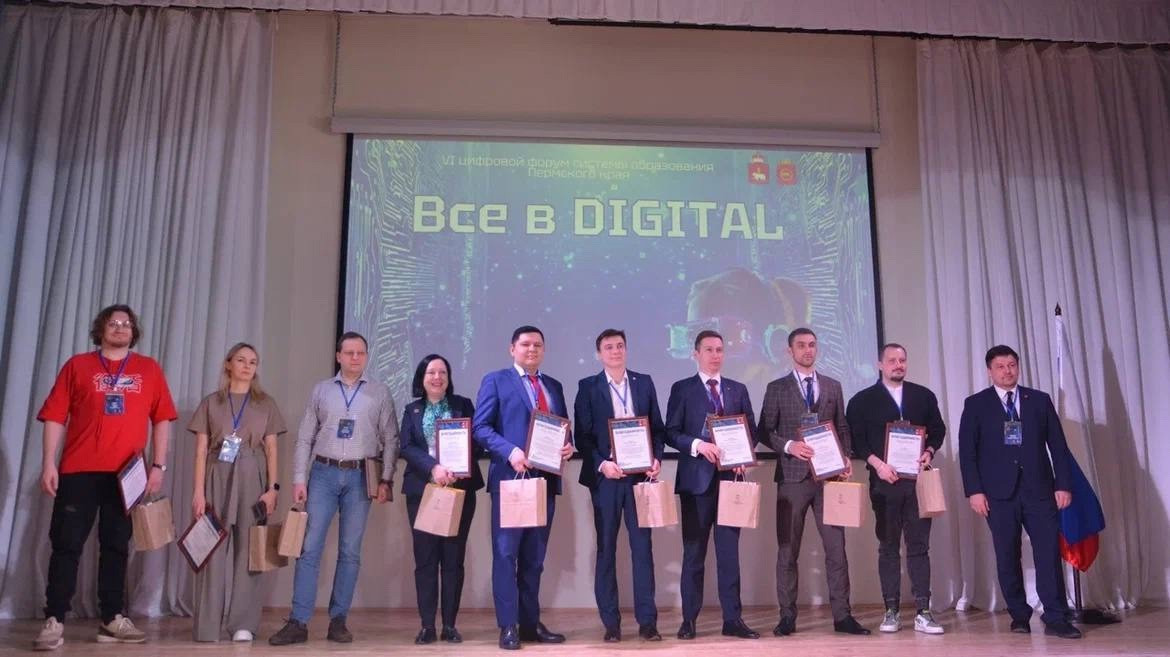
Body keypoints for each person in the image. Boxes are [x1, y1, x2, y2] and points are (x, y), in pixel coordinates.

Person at [34, 304, 177, 651]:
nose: (120, 327)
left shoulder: (148, 369)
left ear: (134, 331)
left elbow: (162, 419)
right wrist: (49, 463)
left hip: (127, 474)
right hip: (78, 470)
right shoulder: (77, 366)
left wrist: (158, 466)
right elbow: (55, 416)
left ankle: (112, 617)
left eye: (126, 323)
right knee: (66, 545)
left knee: (116, 547)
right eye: (113, 323)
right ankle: (54, 619)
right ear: (101, 329)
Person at [269, 332, 400, 645]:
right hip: (323, 475)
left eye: (361, 353)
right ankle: (298, 621)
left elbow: (391, 438)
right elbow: (305, 437)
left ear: (366, 356)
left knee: (350, 551)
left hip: (360, 477)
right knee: (309, 548)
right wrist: (299, 478)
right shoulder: (322, 390)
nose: (355, 358)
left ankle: (338, 620)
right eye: (349, 352)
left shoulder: (380, 392)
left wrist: (386, 479)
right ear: (338, 356)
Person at [958, 345, 1081, 639]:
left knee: (1048, 553)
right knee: (1007, 555)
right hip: (998, 494)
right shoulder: (976, 404)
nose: (1007, 371)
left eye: (1012, 365)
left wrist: (1063, 485)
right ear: (990, 371)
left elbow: (1058, 446)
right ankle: (1019, 615)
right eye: (1000, 366)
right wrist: (974, 491)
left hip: (1040, 491)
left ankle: (1056, 617)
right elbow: (968, 453)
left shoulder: (1038, 400)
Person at [757, 327, 869, 636]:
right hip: (792, 478)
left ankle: (843, 617)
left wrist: (846, 455)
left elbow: (842, 426)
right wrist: (789, 446)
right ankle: (787, 617)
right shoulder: (777, 388)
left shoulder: (832, 385)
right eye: (801, 345)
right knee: (787, 550)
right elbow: (764, 431)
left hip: (829, 478)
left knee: (836, 550)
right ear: (789, 351)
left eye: (812, 345)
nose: (808, 350)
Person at [473, 325, 574, 650]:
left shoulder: (553, 386)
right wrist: (511, 451)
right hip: (510, 481)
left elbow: (563, 428)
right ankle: (508, 625)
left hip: (545, 481)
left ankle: (530, 623)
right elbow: (480, 428)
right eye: (526, 344)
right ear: (512, 349)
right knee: (506, 555)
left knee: (534, 558)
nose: (532, 349)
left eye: (538, 345)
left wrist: (568, 446)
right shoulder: (496, 380)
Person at [188, 343, 287, 642]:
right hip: (217, 474)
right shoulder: (211, 402)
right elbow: (201, 450)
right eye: (241, 360)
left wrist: (273, 489)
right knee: (211, 549)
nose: (247, 366)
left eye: (253, 362)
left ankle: (243, 623)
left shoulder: (266, 403)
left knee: (249, 549)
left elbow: (272, 449)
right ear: (228, 364)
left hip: (252, 474)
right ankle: (207, 625)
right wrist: (198, 492)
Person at [665, 329, 759, 641]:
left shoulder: (737, 389)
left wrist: (744, 455)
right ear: (696, 354)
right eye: (709, 349)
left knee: (729, 555)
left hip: (731, 481)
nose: (715, 355)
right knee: (694, 554)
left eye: (719, 349)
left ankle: (733, 619)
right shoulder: (682, 389)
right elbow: (671, 432)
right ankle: (688, 621)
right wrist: (697, 445)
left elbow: (751, 430)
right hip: (696, 483)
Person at [845, 343, 945, 634]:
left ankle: (923, 612)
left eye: (902, 360)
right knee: (888, 547)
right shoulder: (862, 400)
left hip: (917, 483)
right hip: (883, 483)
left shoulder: (923, 396)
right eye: (892, 360)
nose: (898, 365)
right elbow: (857, 440)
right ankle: (891, 611)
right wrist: (878, 465)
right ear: (880, 365)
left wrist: (928, 452)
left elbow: (938, 430)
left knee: (919, 547)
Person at [573, 329, 666, 642]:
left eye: (620, 346)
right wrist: (602, 464)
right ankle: (611, 624)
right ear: (599, 353)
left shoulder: (644, 382)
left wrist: (656, 458)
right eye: (609, 347)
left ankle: (648, 622)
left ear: (627, 349)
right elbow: (583, 437)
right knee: (606, 550)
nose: (615, 351)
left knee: (643, 550)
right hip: (607, 479)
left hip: (640, 478)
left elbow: (658, 429)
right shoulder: (588, 387)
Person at [399, 354, 483, 645]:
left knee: (453, 560)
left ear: (449, 377)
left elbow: (477, 441)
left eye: (442, 372)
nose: (437, 377)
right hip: (423, 491)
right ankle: (427, 626)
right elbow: (407, 446)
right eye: (431, 372)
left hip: (459, 491)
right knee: (425, 560)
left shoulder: (463, 405)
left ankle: (449, 625)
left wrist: (460, 465)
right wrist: (433, 467)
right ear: (422, 378)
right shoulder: (412, 410)